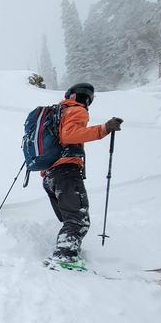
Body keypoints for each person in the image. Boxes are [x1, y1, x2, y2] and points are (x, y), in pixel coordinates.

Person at [43, 83, 123, 269]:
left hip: (50, 175)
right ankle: (65, 257)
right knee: (78, 220)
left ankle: (69, 253)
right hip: (66, 172)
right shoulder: (76, 110)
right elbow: (69, 136)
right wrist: (104, 128)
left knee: (71, 219)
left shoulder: (57, 113)